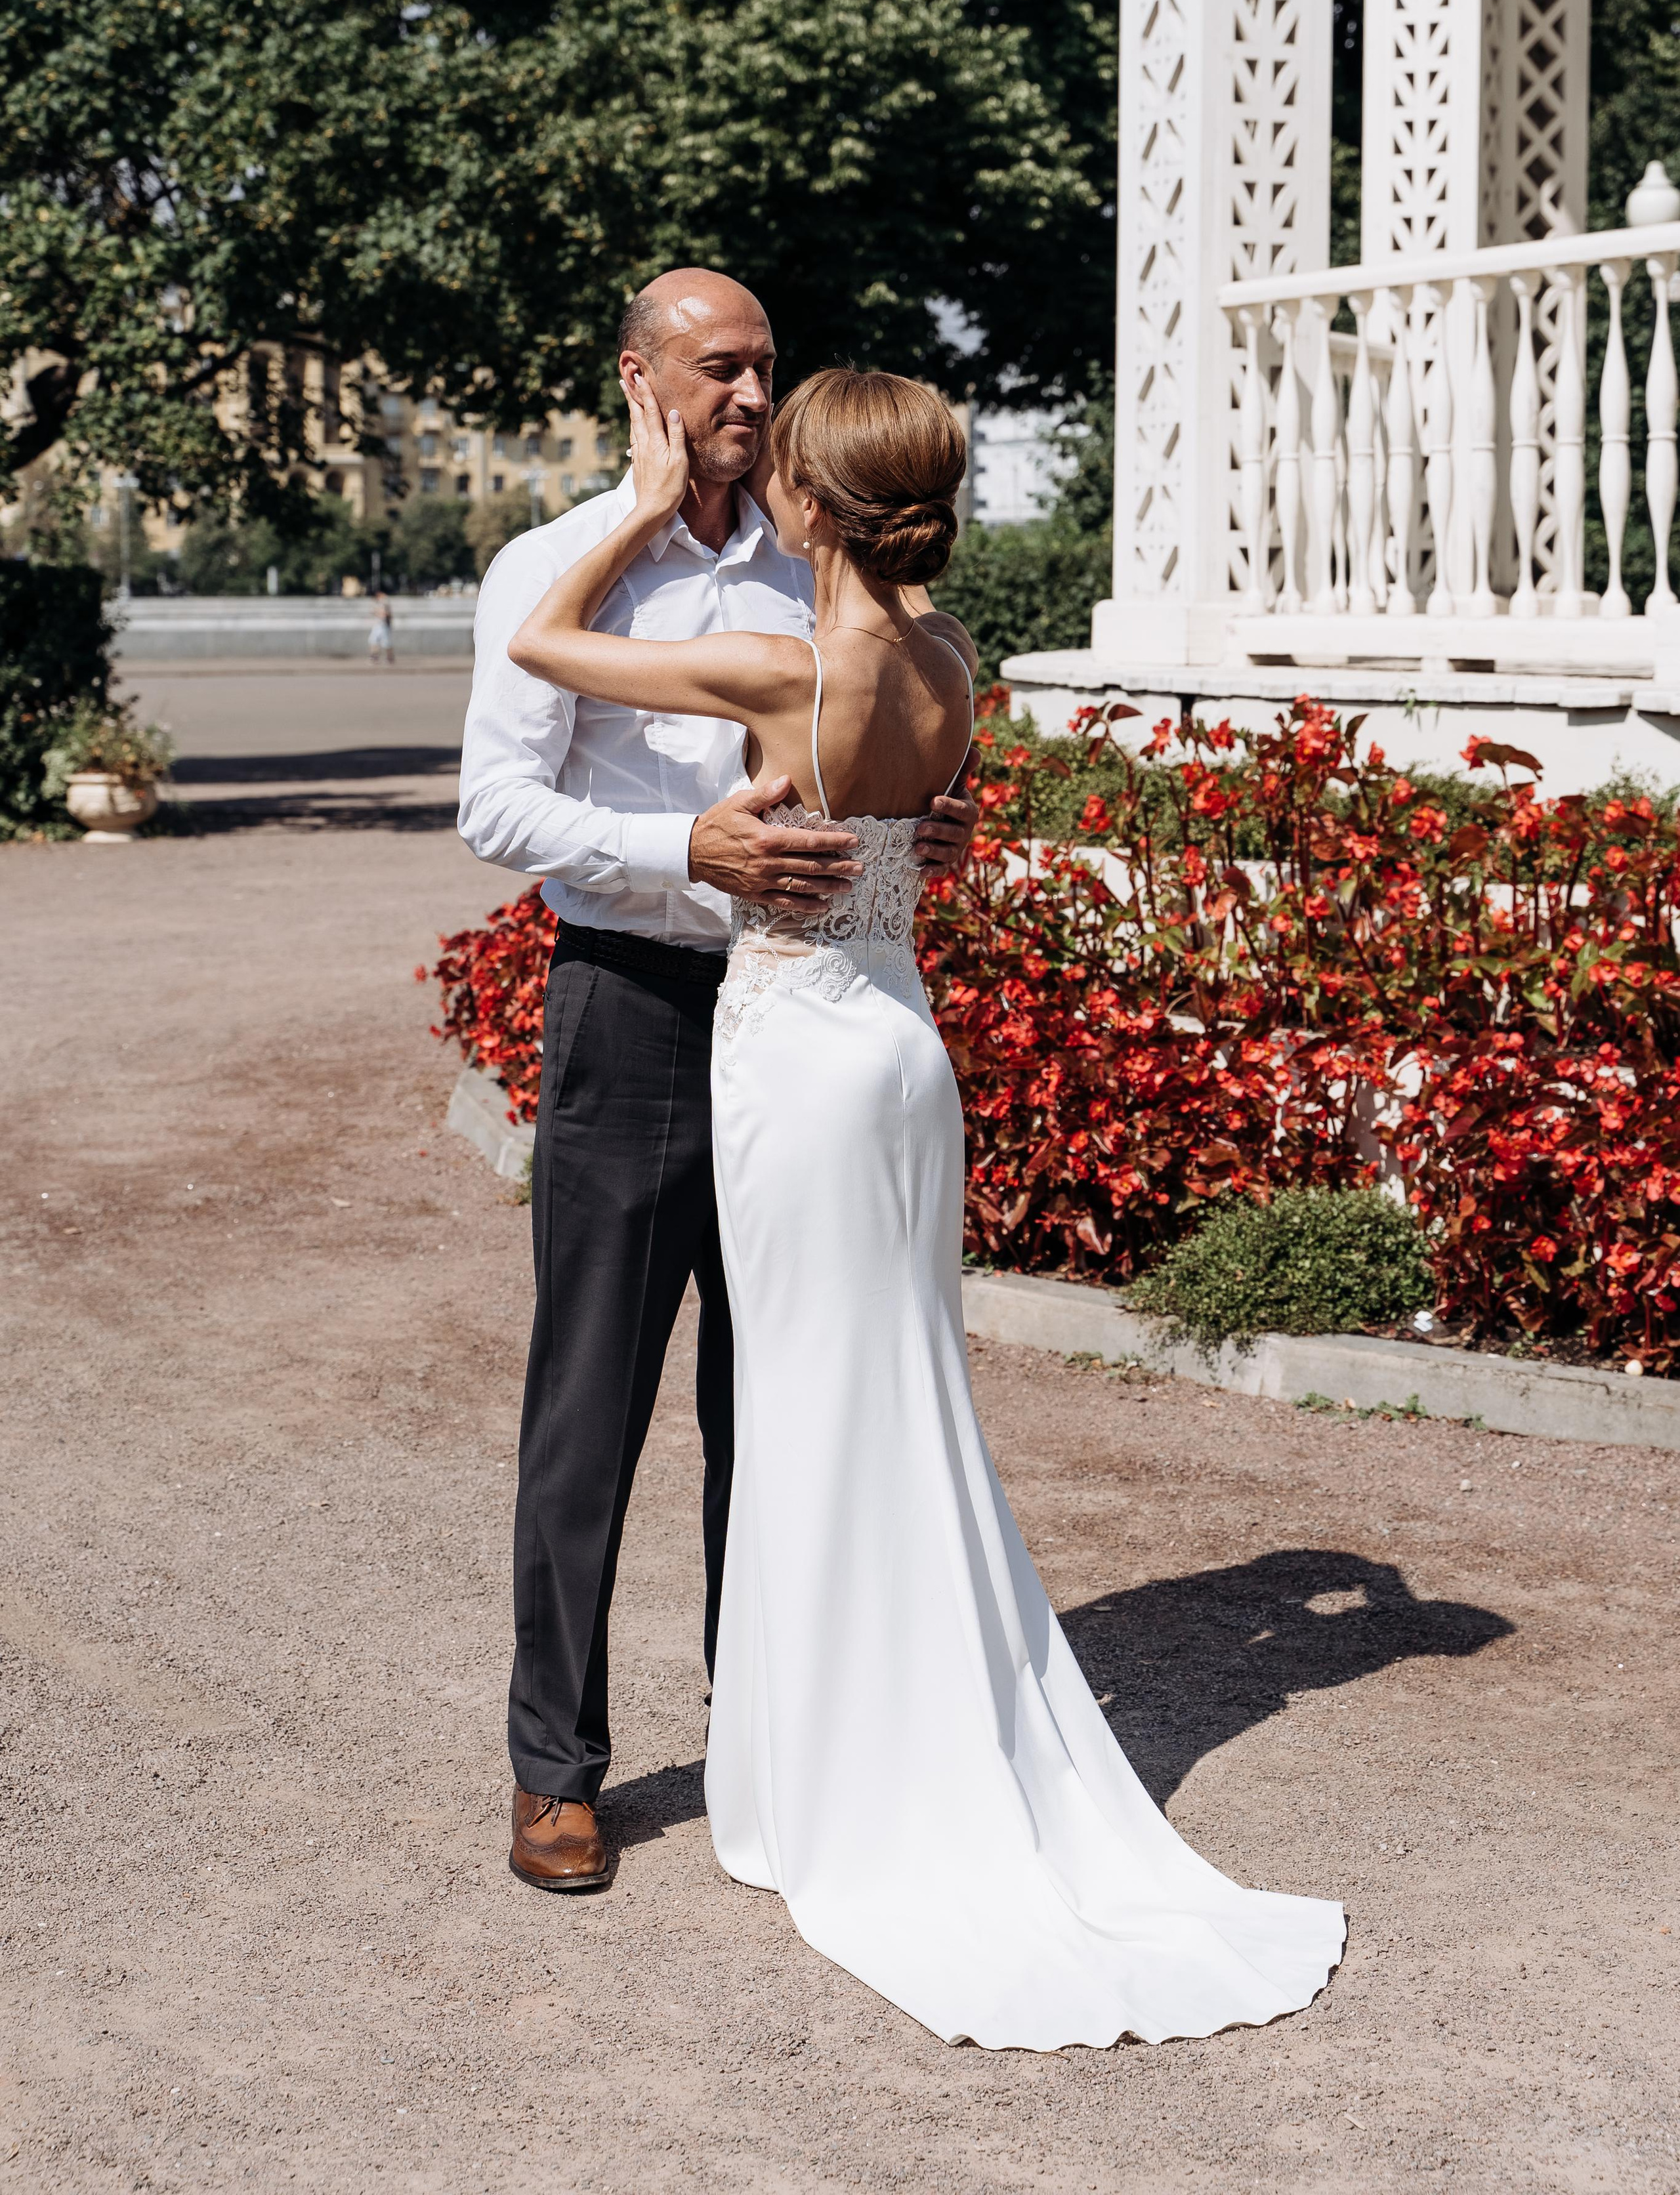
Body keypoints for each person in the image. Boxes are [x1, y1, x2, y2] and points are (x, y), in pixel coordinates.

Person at [507, 365, 1347, 2051]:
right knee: (893, 1398)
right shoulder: (952, 660)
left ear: (807, 503)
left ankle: (836, 1762)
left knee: (813, 1410)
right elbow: (920, 829)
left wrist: (641, 499)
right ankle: (861, 1724)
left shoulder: (779, 665)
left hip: (797, 1059)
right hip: (903, 1046)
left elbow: (541, 640)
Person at [455, 272, 978, 1894]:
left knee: (776, 1407)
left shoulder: (812, 553)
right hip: (631, 1006)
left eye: (764, 369)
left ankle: (769, 1739)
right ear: (641, 377)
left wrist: (911, 830)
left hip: (801, 1025)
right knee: (590, 1402)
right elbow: (493, 807)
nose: (749, 395)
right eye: (717, 368)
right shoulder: (552, 563)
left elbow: (873, 733)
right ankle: (555, 1771)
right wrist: (678, 845)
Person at [367, 591, 394, 665]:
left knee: (386, 643)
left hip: (384, 625)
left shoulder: (385, 603)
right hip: (377, 625)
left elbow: (386, 614)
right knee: (373, 641)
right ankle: (374, 657)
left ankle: (390, 657)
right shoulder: (377, 603)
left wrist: (379, 613)